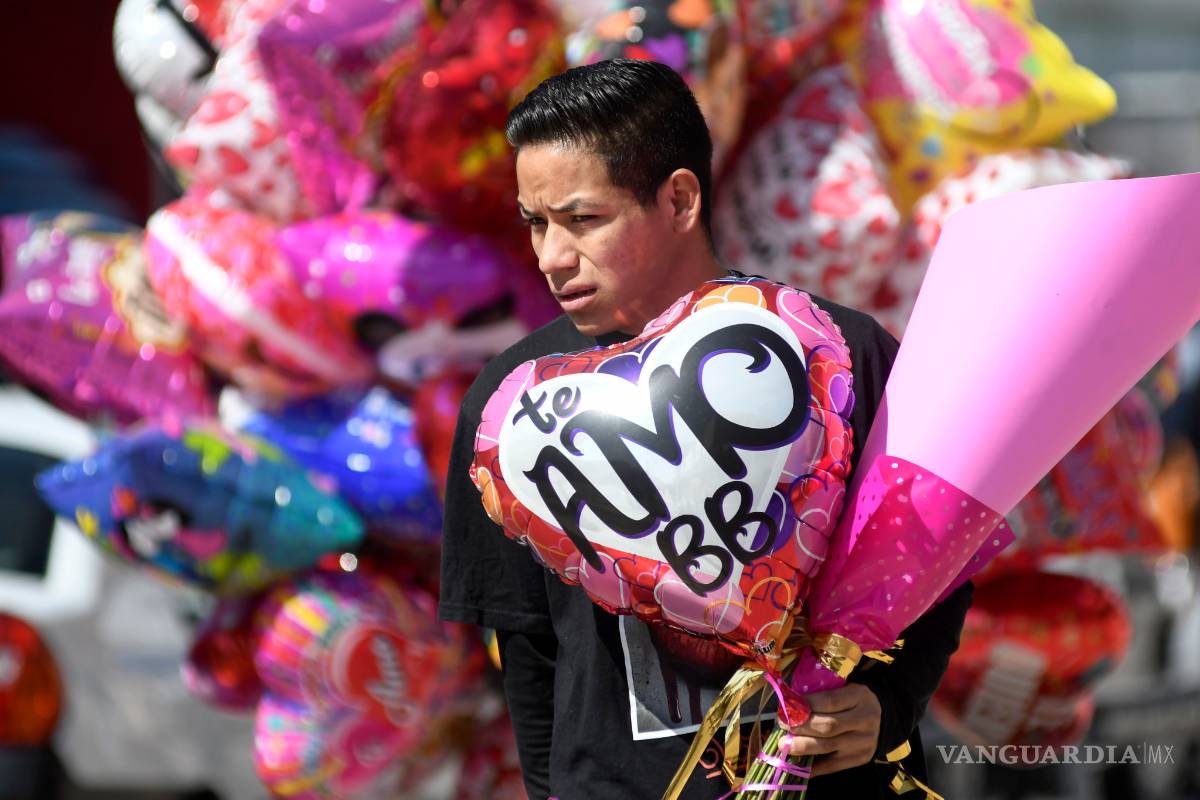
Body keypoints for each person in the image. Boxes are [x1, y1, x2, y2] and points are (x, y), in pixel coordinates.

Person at [439, 58, 973, 800]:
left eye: (583, 220)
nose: (552, 256)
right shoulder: (510, 405)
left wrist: (889, 706)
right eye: (536, 222)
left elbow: (936, 565)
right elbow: (530, 656)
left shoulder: (840, 356)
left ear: (679, 199)